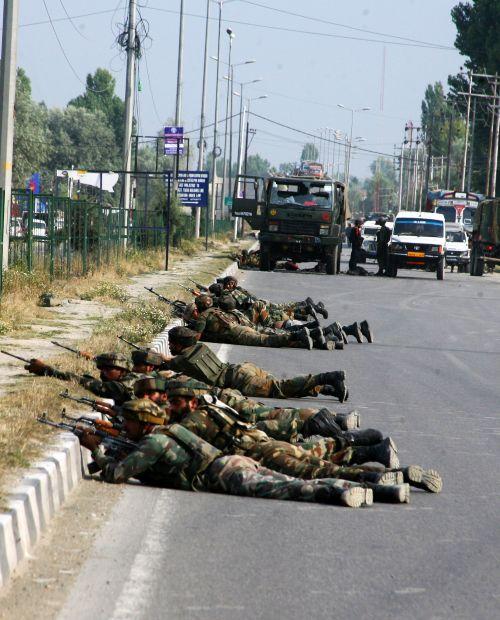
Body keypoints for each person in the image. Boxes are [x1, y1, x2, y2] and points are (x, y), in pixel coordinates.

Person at [79, 399, 375, 508]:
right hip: (231, 462)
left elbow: (115, 474)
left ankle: (338, 493)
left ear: (142, 423)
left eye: (129, 421)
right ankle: (365, 486)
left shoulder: (153, 444)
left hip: (225, 474)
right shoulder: (165, 433)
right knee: (289, 478)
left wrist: (97, 450)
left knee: (287, 488)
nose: (126, 426)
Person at [166, 384, 442, 498]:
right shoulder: (211, 408)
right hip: (267, 445)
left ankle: (392, 480)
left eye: (175, 403)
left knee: (321, 472)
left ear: (189, 402)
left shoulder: (192, 422)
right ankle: (382, 461)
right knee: (323, 462)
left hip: (262, 455)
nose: (171, 407)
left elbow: (179, 439)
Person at [164, 326, 348, 401]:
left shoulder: (181, 361)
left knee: (281, 388)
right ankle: (329, 389)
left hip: (241, 380)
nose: (170, 346)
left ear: (180, 344)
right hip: (242, 368)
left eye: (171, 343)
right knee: (284, 386)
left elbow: (164, 363)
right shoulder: (200, 347)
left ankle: (327, 377)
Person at [188, 294, 314, 350]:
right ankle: (316, 333)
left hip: (239, 334)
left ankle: (299, 336)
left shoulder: (203, 317)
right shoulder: (216, 310)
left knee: (269, 340)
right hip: (242, 328)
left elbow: (196, 336)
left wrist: (188, 332)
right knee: (273, 333)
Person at [24, 353, 141, 405]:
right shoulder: (127, 379)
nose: (104, 373)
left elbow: (94, 385)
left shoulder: (126, 384)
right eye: (102, 369)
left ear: (123, 370)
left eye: (109, 369)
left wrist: (48, 370)